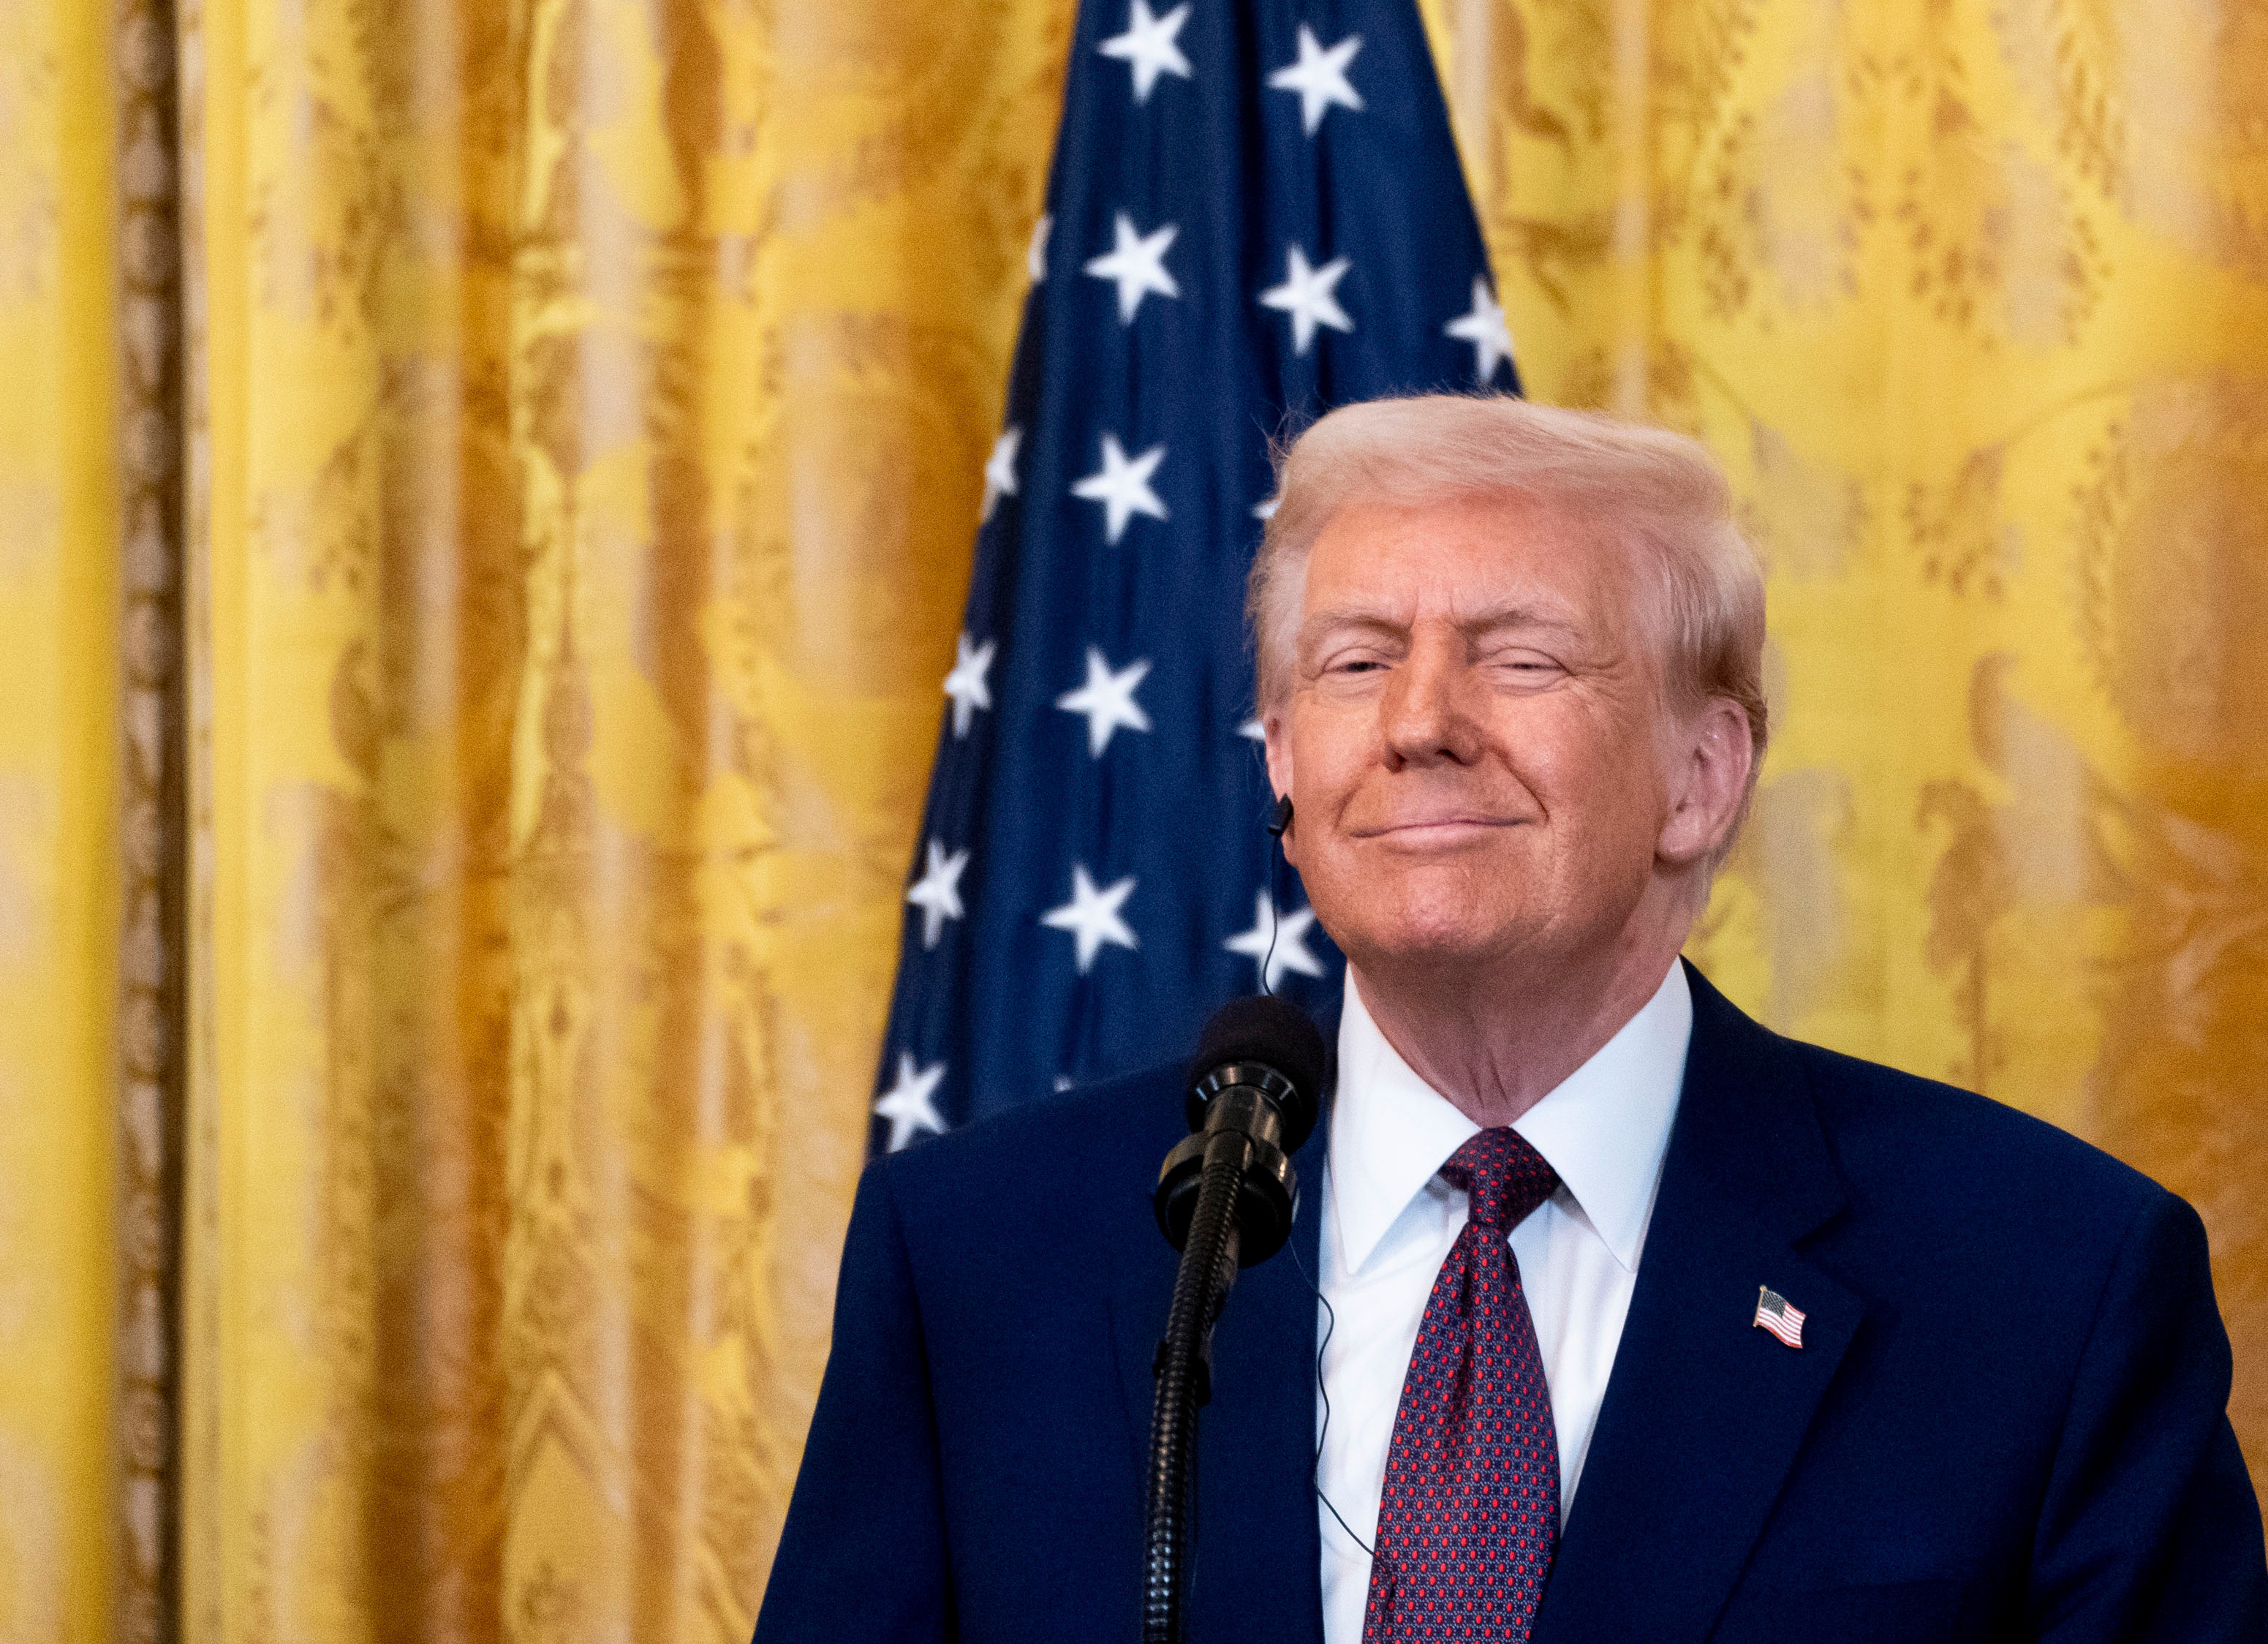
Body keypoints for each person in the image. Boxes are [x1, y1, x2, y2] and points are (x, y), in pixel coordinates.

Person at [752, 395, 2268, 1643]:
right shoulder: (978, 1260)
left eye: (1519, 656)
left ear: (1699, 777)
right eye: (1355, 662)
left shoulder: (2047, 1286)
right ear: (1283, 764)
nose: (1419, 723)